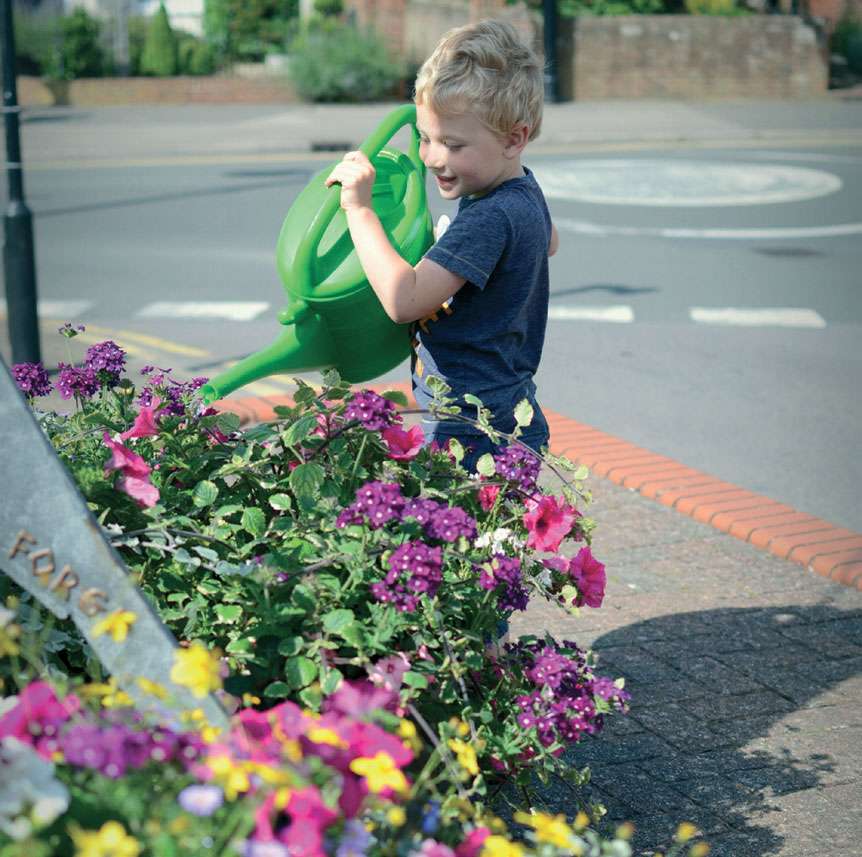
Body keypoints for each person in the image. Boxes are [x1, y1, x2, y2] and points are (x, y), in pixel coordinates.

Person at [325, 19, 558, 471]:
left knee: (454, 535)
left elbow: (403, 299)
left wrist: (359, 210)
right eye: (425, 138)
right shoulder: (522, 192)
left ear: (515, 138)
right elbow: (547, 241)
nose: (433, 157)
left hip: (471, 428)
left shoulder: (490, 216)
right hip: (506, 410)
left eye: (452, 144)